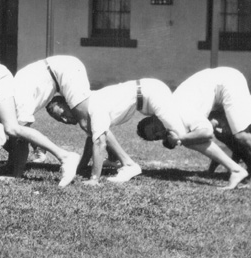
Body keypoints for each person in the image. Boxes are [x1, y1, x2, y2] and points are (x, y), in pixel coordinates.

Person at [47, 78, 186, 186]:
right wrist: (80, 167)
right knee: (99, 131)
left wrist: (94, 178)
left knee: (181, 136)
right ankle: (115, 160)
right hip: (147, 94)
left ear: (69, 104)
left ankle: (129, 165)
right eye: (60, 119)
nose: (65, 119)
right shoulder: (88, 108)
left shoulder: (93, 106)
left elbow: (99, 142)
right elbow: (92, 138)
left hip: (153, 92)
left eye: (63, 113)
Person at [170, 67, 251, 189]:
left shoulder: (183, 112)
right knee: (226, 133)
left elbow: (206, 133)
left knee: (241, 135)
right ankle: (250, 167)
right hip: (222, 84)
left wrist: (180, 139)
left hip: (227, 82)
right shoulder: (178, 107)